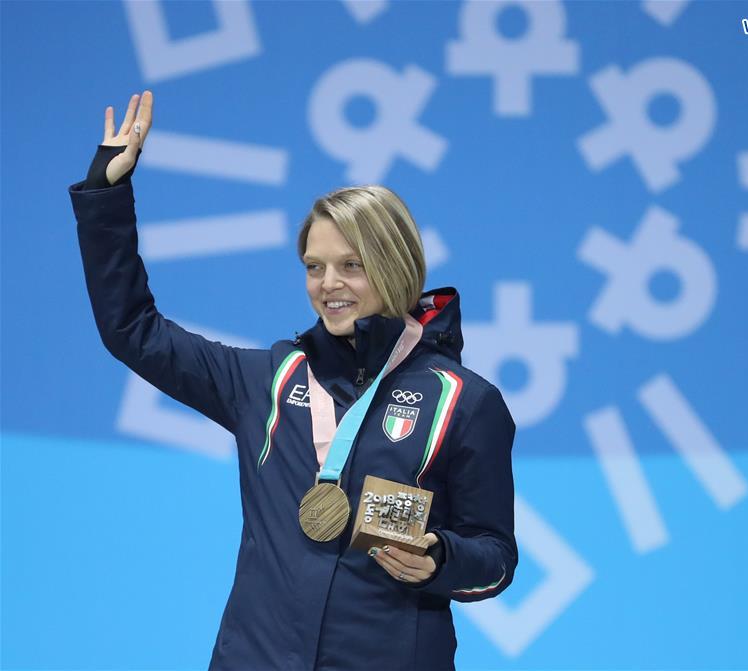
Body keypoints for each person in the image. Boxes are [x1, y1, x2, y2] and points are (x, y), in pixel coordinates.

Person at [68, 90, 517, 671]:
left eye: (351, 265)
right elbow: (133, 330)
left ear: (394, 266)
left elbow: (495, 557)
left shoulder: (463, 402)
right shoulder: (266, 380)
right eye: (313, 266)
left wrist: (441, 558)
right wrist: (106, 196)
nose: (328, 284)